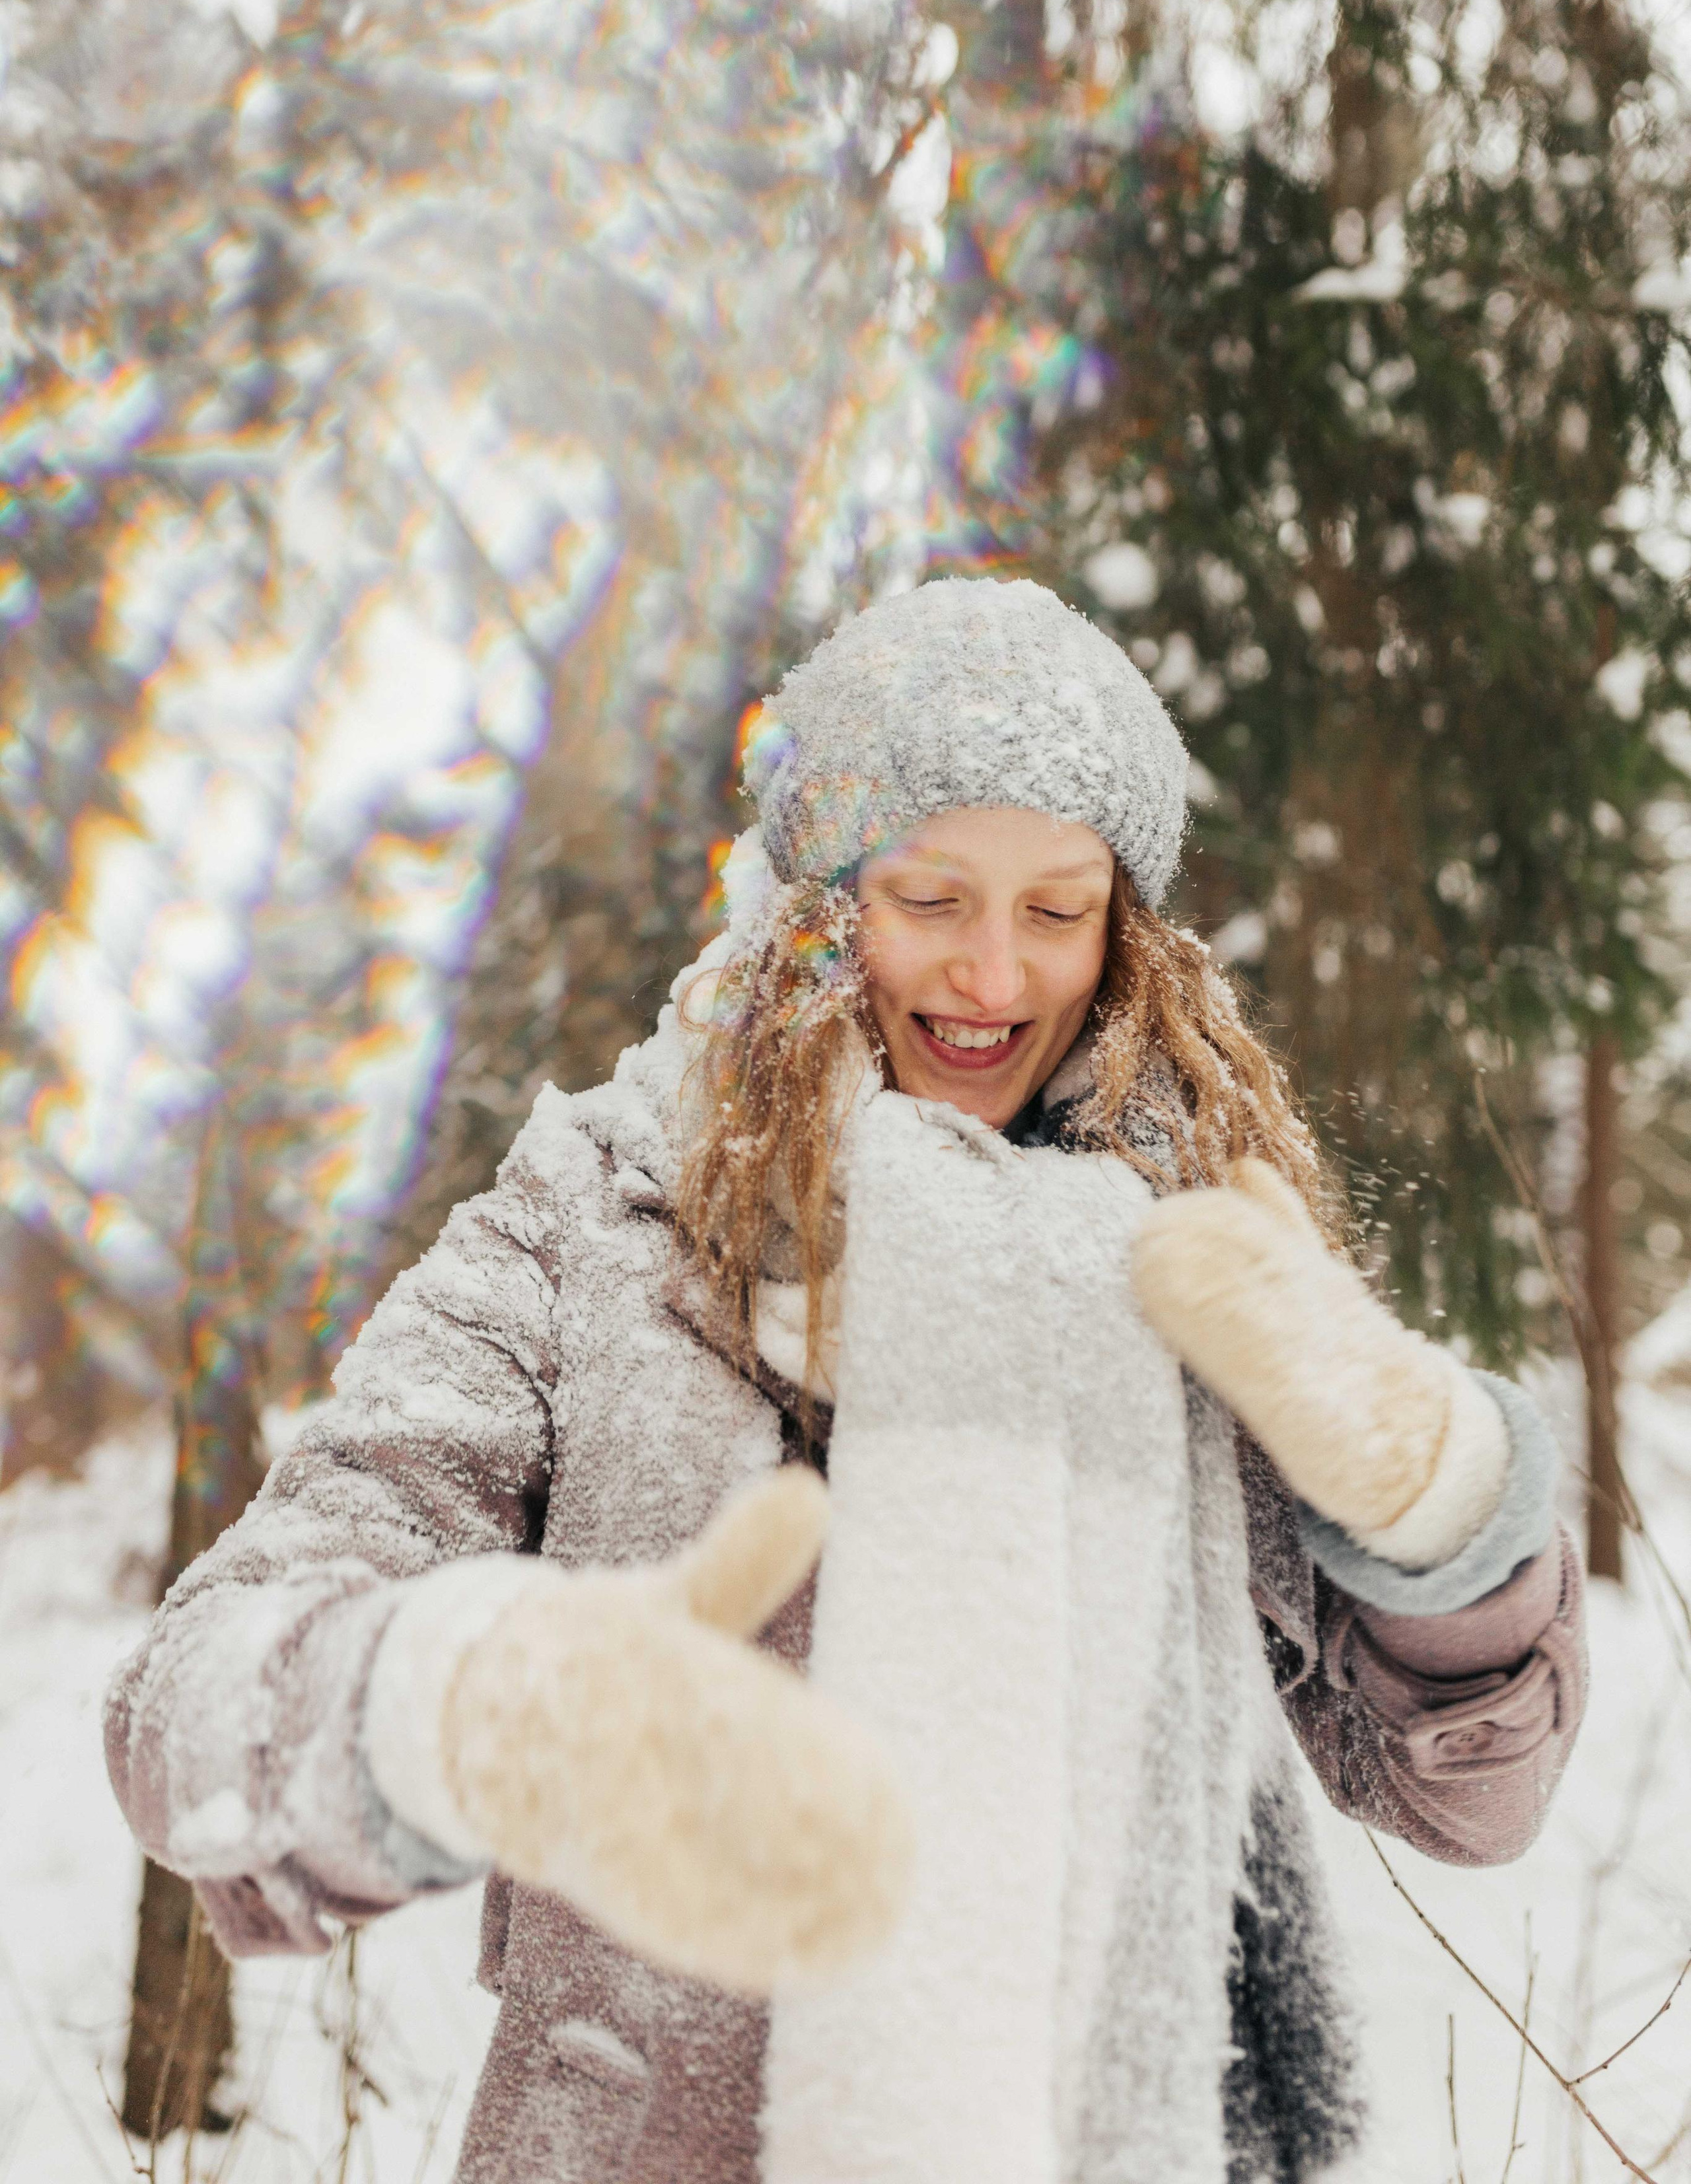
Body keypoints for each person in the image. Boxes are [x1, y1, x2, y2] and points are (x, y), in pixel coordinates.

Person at [106, 577, 1587, 2184]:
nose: (991, 976)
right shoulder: (603, 1219)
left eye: (1054, 908)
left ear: (1125, 929)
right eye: (929, 896)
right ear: (817, 903)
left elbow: (1475, 1802)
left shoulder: (1196, 1258)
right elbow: (190, 1701)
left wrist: (1439, 1505)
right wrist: (451, 1704)